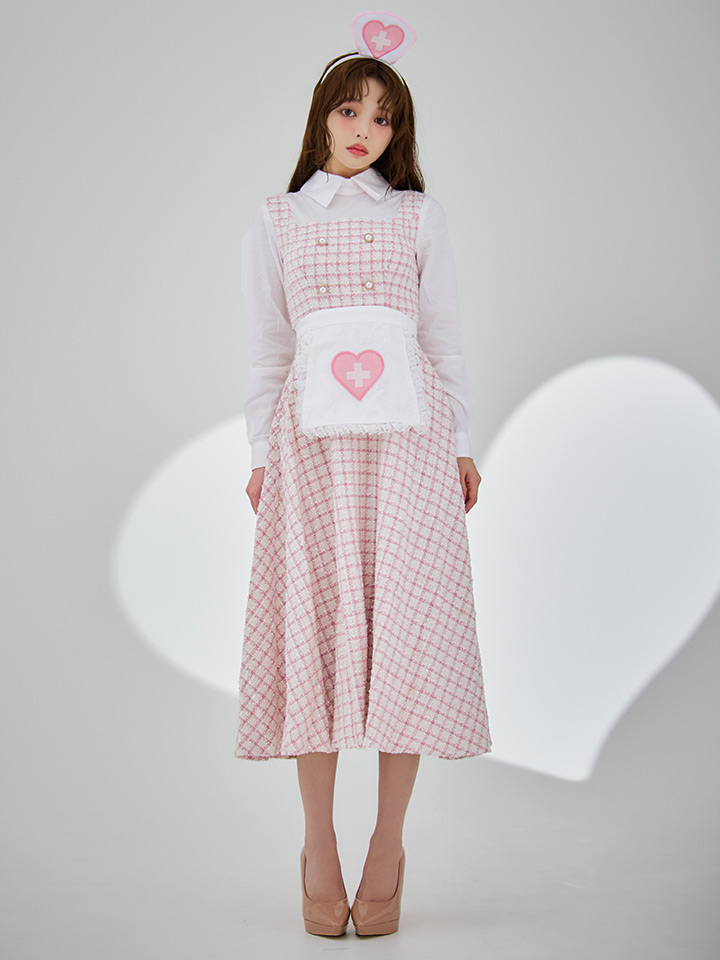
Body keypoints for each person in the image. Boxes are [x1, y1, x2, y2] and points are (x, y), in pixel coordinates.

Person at [234, 13, 492, 937]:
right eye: (350, 110)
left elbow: (443, 336)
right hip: (310, 447)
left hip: (410, 444)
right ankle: (319, 843)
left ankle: (388, 845)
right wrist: (259, 456)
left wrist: (462, 441)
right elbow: (269, 348)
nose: (364, 129)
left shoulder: (418, 215)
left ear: (397, 133)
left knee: (405, 634)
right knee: (316, 630)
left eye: (383, 118)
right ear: (321, 117)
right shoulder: (278, 219)